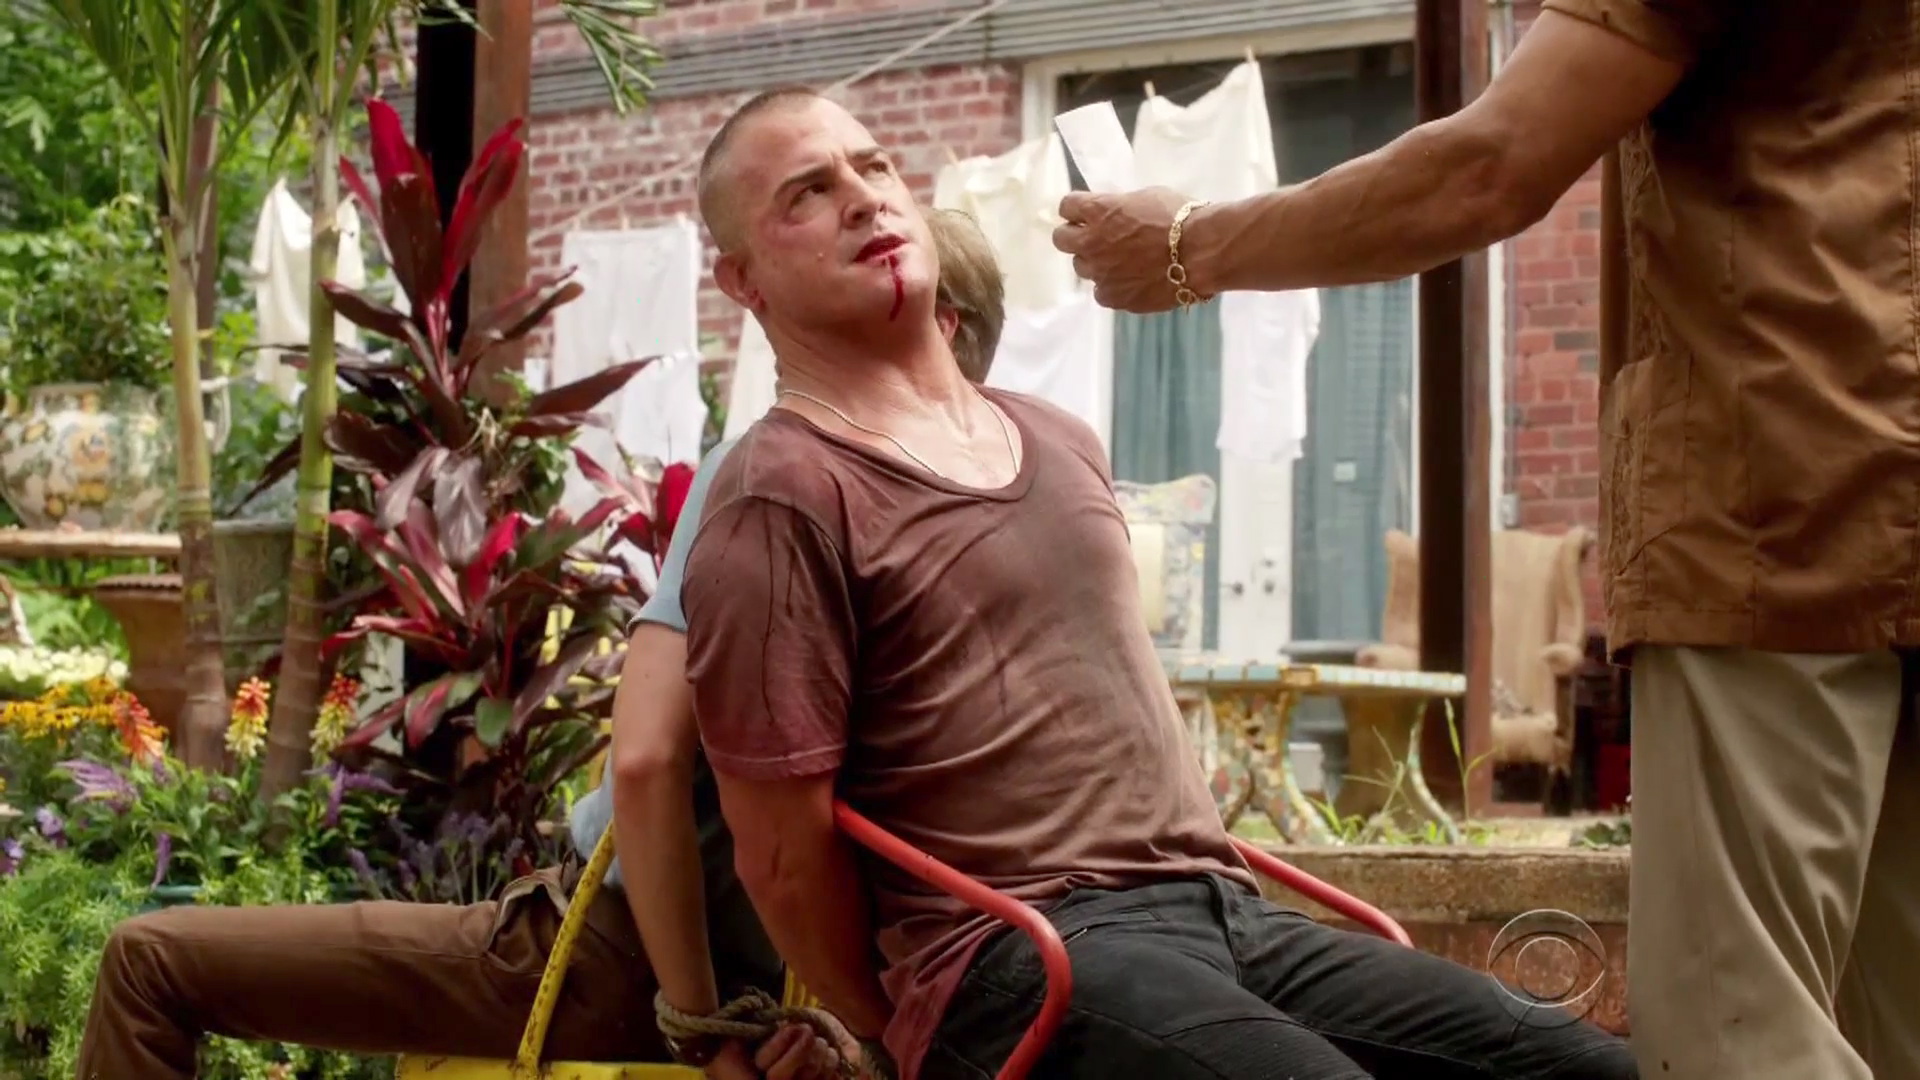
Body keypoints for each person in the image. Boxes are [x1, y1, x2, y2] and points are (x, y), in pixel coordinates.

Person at [674, 86, 1635, 1080]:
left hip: (1228, 912)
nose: (863, 197)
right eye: (808, 192)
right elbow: (781, 856)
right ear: (742, 281)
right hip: (1021, 959)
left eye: (873, 166)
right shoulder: (780, 491)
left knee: (1591, 1070)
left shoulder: (1058, 438)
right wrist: (898, 1032)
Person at [1053, 8, 1920, 1080]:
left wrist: (1190, 244)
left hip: (1777, 511)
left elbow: (1490, 165)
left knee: (1738, 1034)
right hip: (1847, 493)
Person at [69, 207, 1007, 1080]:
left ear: (938, 318)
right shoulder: (1009, 512)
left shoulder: (766, 470)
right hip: (877, 991)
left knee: (152, 962)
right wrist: (864, 1026)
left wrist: (702, 1022)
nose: (770, 323)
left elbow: (644, 764)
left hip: (632, 954)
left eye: (821, 286)